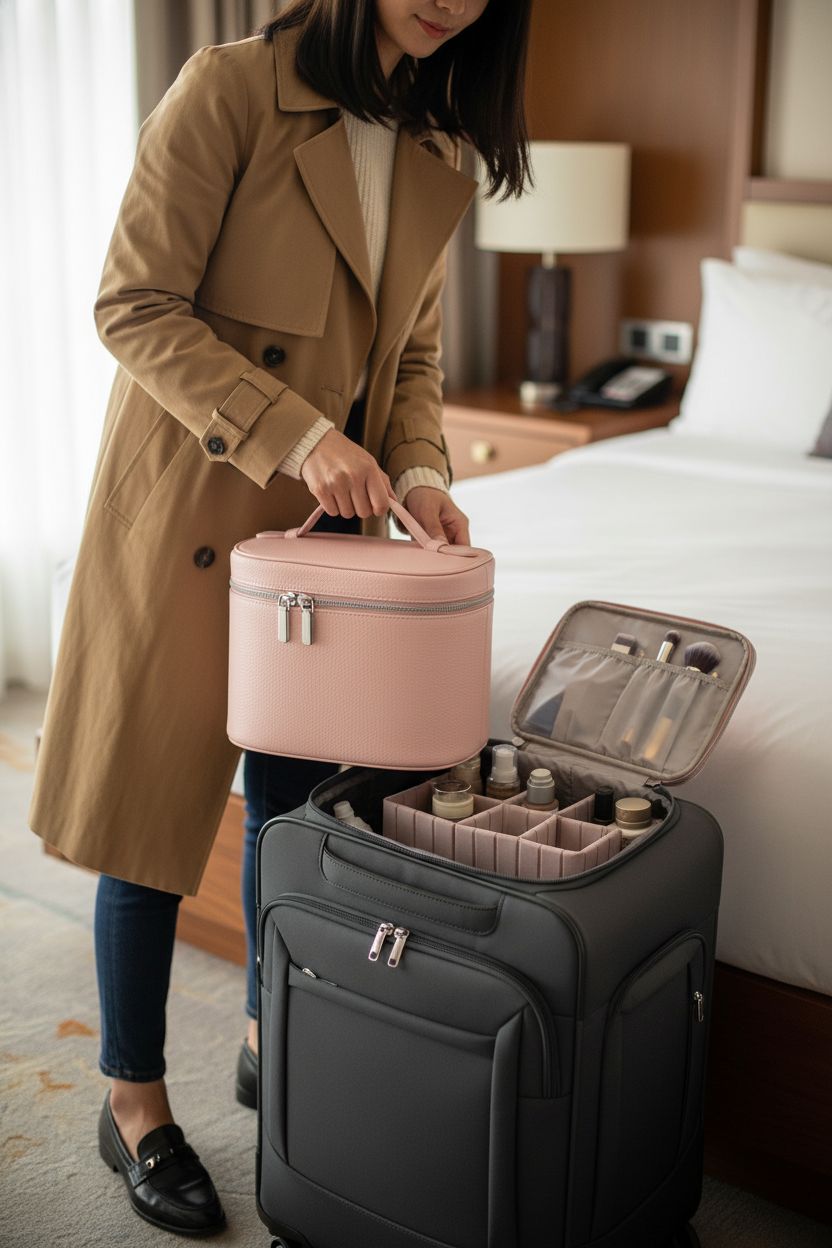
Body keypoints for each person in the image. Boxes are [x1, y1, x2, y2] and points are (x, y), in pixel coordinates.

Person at [28, 0, 532, 1235]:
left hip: (324, 553)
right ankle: (132, 1099)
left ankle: (273, 1029)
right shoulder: (229, 87)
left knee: (294, 814)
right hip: (192, 515)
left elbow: (410, 360)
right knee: (148, 828)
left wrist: (420, 473)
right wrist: (300, 434)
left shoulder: (438, 147)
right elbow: (134, 306)